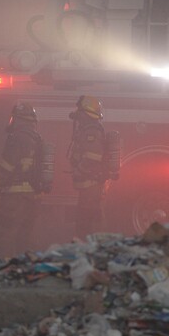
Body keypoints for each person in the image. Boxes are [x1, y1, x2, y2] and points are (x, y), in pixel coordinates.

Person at [0, 102, 45, 257]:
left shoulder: (16, 138)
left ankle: (3, 270)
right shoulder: (36, 137)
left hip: (14, 196)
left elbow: (8, 165)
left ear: (18, 119)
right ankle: (23, 270)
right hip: (33, 196)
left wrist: (0, 181)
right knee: (25, 236)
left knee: (3, 231)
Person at [67, 95, 109, 239]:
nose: (77, 115)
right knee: (85, 221)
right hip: (88, 187)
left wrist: (78, 171)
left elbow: (92, 157)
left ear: (85, 113)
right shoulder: (89, 129)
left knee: (86, 223)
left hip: (91, 186)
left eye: (79, 112)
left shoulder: (91, 132)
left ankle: (89, 254)